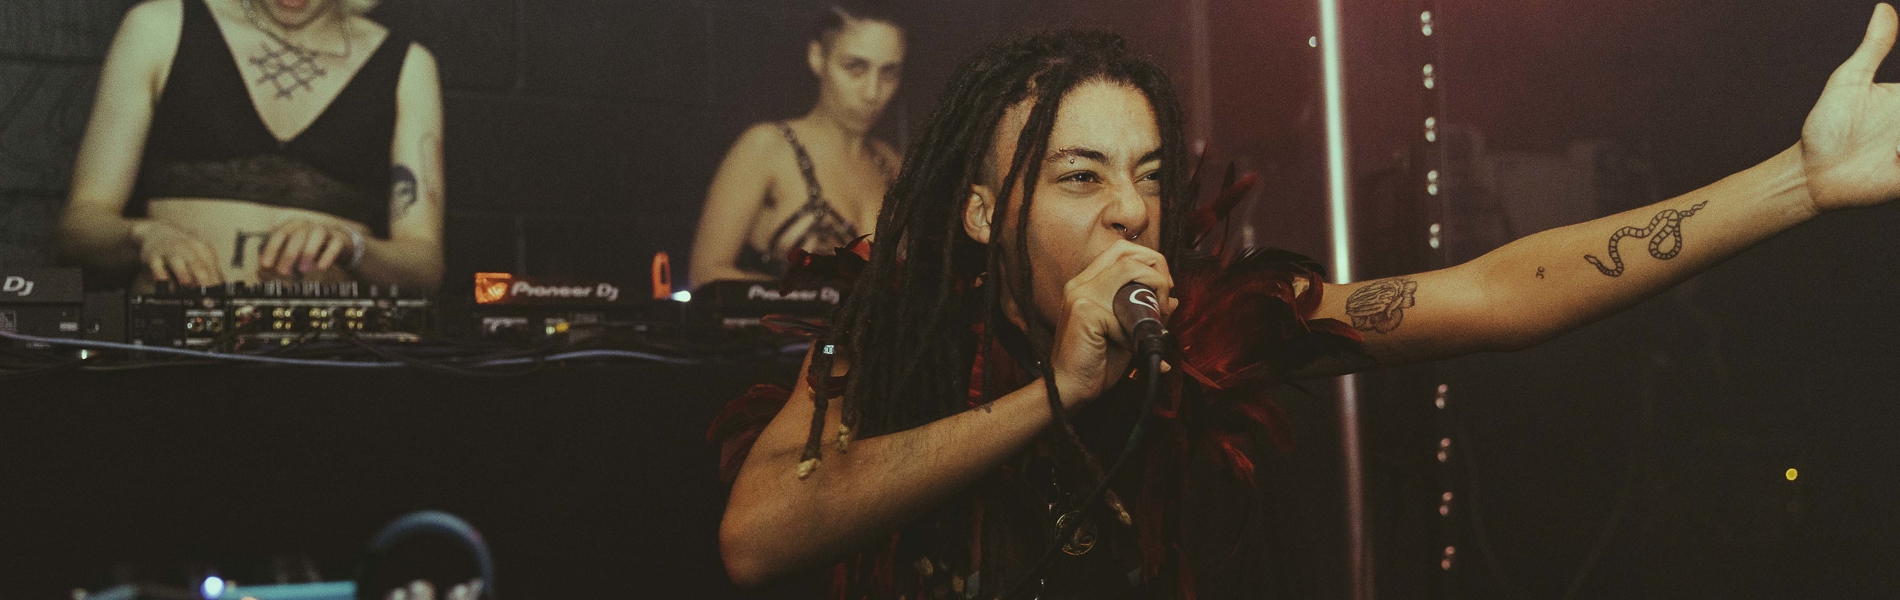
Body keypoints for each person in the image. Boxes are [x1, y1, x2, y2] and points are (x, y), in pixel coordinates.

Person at [711, 6, 1900, 598]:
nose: (1131, 211)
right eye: (1080, 177)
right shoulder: (897, 327)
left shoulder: (1215, 332)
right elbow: (760, 535)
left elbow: (1491, 291)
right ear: (982, 214)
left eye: (1149, 175)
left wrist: (1796, 183)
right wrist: (1057, 394)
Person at [56, 0, 445, 292]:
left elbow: (424, 264)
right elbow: (79, 228)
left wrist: (353, 247)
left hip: (325, 361)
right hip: (172, 356)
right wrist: (146, 237)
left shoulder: (409, 66)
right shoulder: (158, 27)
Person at [689, 2, 905, 285]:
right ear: (817, 57)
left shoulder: (891, 163)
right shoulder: (767, 148)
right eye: (855, 67)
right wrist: (810, 297)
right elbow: (705, 276)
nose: (872, 91)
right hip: (781, 329)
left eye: (888, 72)